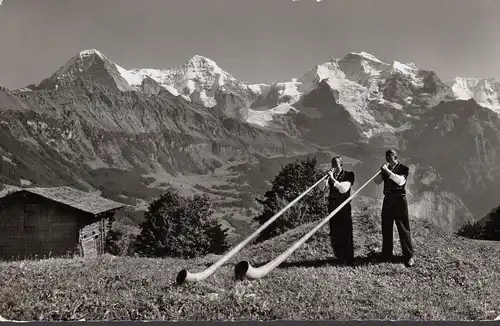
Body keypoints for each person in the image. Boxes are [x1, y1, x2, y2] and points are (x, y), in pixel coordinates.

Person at [373, 149, 415, 267]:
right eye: (387, 158)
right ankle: (386, 254)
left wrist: (386, 170)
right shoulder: (386, 170)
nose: (389, 160)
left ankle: (408, 256)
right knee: (386, 227)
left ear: (396, 157)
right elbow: (376, 181)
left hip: (399, 200)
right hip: (387, 200)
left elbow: (400, 181)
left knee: (403, 228)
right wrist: (381, 172)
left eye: (390, 158)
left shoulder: (404, 168)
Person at [321, 156, 355, 266]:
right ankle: (339, 257)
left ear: (341, 164)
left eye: (336, 164)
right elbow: (323, 188)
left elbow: (343, 189)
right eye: (332, 164)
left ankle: (349, 258)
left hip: (344, 207)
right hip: (333, 206)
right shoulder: (331, 176)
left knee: (346, 232)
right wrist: (326, 179)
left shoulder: (349, 175)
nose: (334, 167)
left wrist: (332, 178)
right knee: (334, 232)